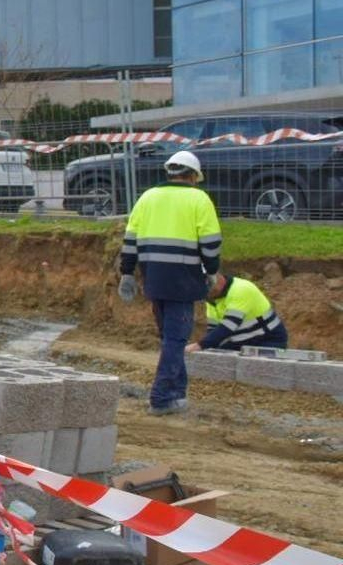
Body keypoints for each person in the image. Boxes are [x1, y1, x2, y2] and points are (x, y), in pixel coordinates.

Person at [118, 149, 221, 416]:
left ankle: (177, 393)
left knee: (170, 339)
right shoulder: (199, 199)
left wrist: (127, 272)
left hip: (154, 278)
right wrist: (212, 271)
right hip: (183, 281)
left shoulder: (147, 197)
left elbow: (130, 240)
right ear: (193, 176)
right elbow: (210, 244)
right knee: (175, 340)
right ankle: (161, 398)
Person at [187, 272, 288, 353]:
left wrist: (199, 345)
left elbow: (228, 326)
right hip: (242, 341)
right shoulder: (212, 298)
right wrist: (205, 347)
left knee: (256, 369)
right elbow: (213, 329)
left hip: (268, 340)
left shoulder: (241, 289)